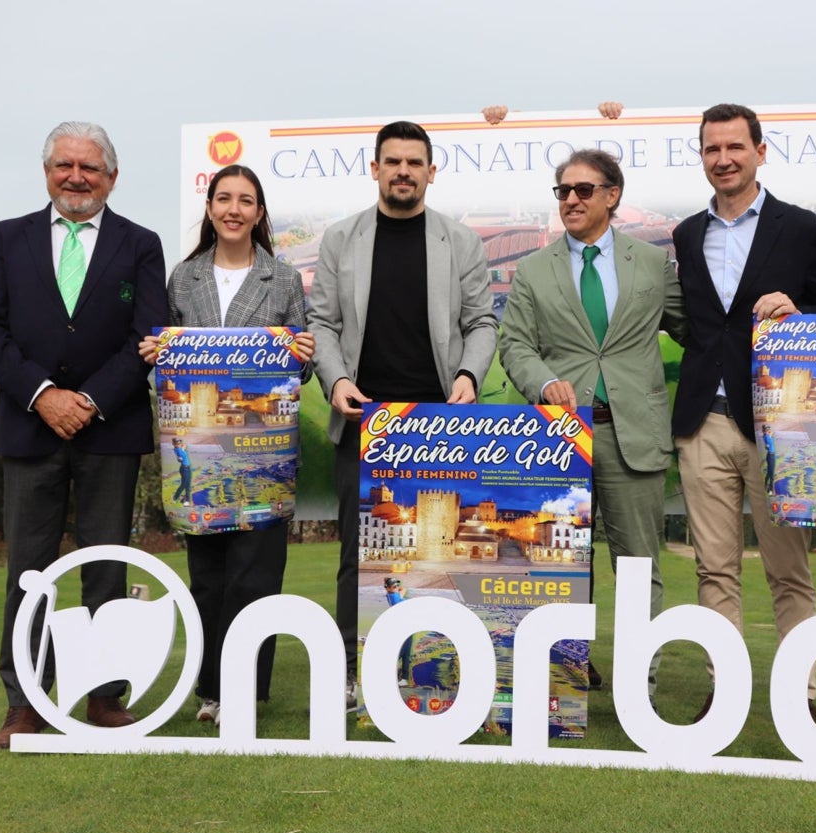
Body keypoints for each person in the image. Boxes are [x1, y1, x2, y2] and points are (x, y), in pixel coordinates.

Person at [0, 121, 167, 748]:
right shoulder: (7, 239)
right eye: (63, 166)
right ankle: (24, 703)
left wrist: (87, 401)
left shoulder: (141, 243)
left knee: (106, 567)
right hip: (30, 428)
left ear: (112, 176)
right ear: (47, 171)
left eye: (89, 167)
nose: (75, 177)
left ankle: (104, 698)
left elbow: (149, 339)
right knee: (29, 572)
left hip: (109, 428)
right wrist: (42, 396)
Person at [670, 103, 816, 721]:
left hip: (781, 424)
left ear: (759, 151)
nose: (723, 159)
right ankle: (724, 694)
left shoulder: (799, 228)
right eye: (712, 149)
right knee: (714, 569)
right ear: (703, 156)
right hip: (703, 421)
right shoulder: (687, 233)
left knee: (788, 570)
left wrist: (800, 312)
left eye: (734, 148)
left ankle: (801, 700)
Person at [307, 120, 497, 710]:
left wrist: (468, 376)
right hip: (365, 423)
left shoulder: (459, 242)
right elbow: (323, 325)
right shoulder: (341, 239)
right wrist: (335, 379)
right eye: (393, 162)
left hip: (437, 424)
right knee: (355, 556)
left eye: (415, 162)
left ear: (431, 171)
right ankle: (349, 671)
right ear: (375, 169)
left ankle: (436, 666)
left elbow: (482, 324)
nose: (404, 172)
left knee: (435, 557)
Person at [499, 148, 684, 698]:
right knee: (558, 566)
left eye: (583, 190)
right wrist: (541, 382)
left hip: (635, 435)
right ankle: (563, 679)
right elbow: (515, 344)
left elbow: (697, 326)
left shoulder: (651, 264)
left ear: (612, 196)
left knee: (639, 569)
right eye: (563, 191)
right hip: (561, 439)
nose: (571, 200)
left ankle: (639, 688)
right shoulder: (533, 269)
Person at [139, 164, 315, 726]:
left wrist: (301, 352)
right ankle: (211, 690)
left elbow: (299, 373)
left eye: (246, 200)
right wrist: (155, 359)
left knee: (256, 578)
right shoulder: (182, 279)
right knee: (208, 578)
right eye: (224, 199)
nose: (234, 209)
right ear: (210, 208)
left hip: (263, 455)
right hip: (197, 446)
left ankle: (244, 690)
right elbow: (166, 364)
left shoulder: (283, 279)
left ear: (260, 213)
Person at [383, 577, 413, 687]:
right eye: (394, 586)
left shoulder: (394, 594)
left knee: (406, 654)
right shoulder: (393, 597)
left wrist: (397, 588)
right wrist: (399, 590)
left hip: (407, 626)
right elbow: (403, 590)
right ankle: (389, 674)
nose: (396, 588)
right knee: (401, 653)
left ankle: (404, 678)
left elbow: (402, 590)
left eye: (396, 586)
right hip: (402, 627)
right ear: (388, 588)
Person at [172, 438, 193, 505]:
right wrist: (183, 448)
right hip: (184, 468)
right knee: (184, 484)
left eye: (179, 443)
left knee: (188, 485)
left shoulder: (179, 449)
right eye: (177, 443)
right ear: (174, 444)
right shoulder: (178, 450)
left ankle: (187, 501)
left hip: (187, 468)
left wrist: (182, 446)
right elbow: (181, 458)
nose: (178, 444)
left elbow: (183, 446)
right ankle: (175, 497)